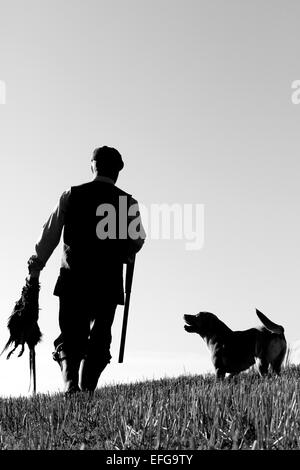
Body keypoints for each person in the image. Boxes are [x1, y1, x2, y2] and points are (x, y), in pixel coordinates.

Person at [27, 146, 146, 394]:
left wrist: (36, 266)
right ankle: (87, 391)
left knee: (71, 335)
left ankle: (71, 386)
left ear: (92, 165)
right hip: (108, 280)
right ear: (117, 172)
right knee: (100, 338)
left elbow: (49, 235)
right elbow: (137, 241)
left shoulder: (71, 195)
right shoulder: (128, 202)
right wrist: (124, 252)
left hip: (73, 277)